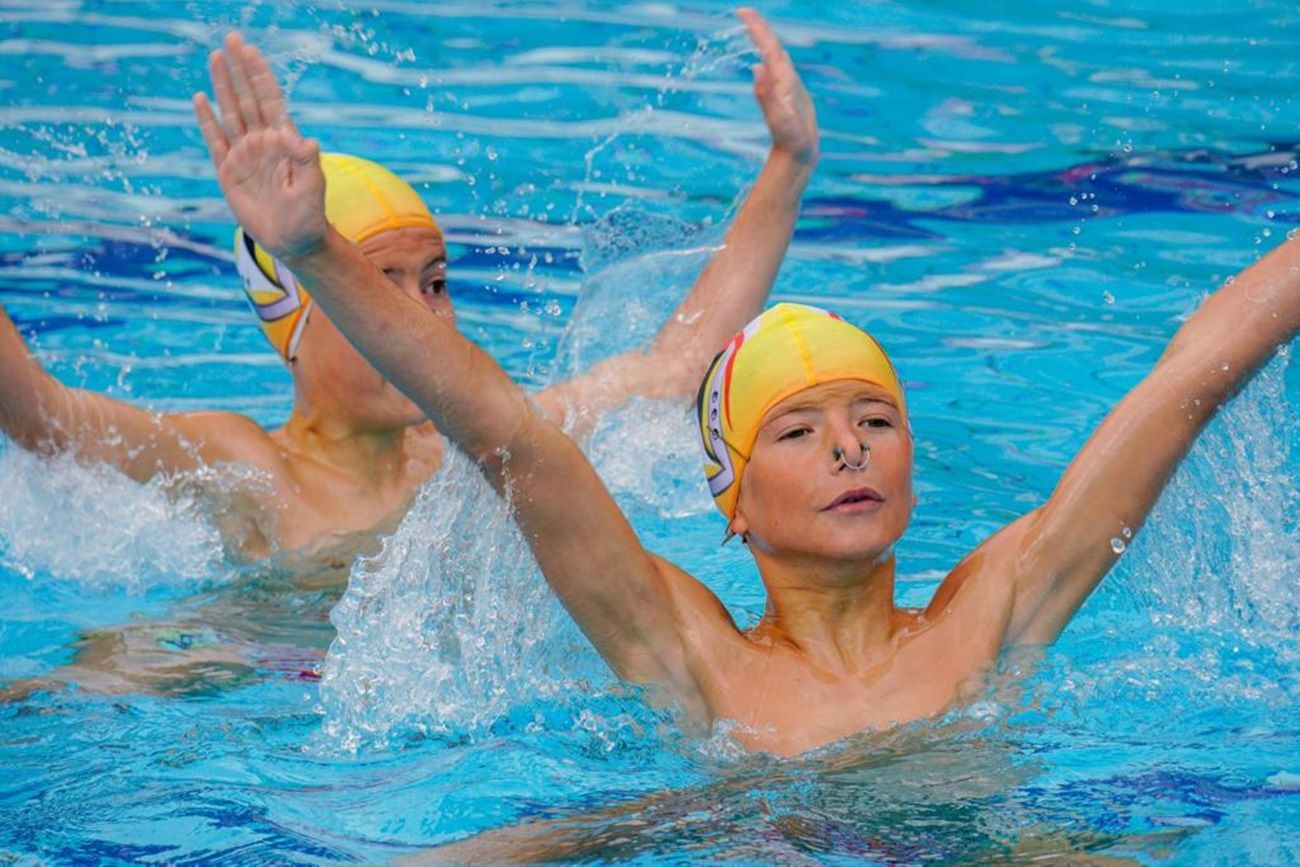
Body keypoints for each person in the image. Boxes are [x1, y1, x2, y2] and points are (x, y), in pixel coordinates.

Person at [198, 9, 1300, 757]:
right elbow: (508, 440)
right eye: (797, 431)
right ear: (727, 495)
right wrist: (313, 254)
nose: (848, 449)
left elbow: (1185, 382)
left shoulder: (994, 611)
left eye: (875, 419)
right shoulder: (690, 655)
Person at [0, 9, 818, 700]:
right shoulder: (242, 462)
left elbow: (674, 370)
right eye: (379, 285)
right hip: (239, 674)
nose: (418, 315)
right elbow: (43, 417)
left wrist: (789, 163)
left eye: (432, 283)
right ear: (295, 317)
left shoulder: (471, 452)